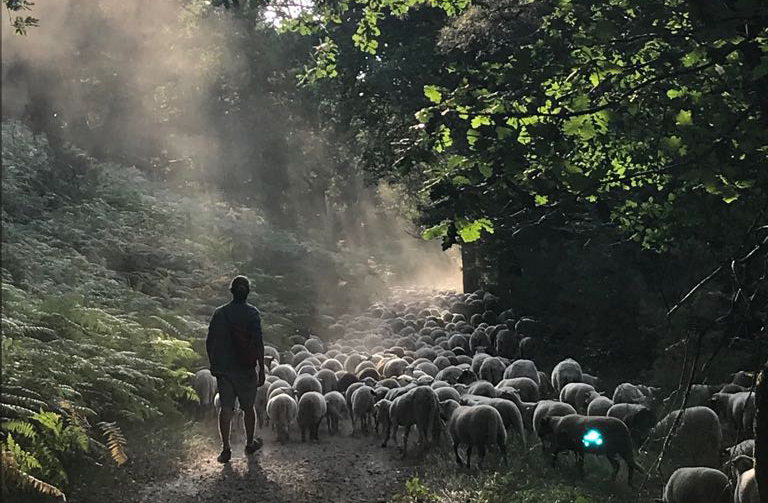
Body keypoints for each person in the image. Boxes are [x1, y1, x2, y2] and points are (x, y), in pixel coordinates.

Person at [206, 275, 265, 463]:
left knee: (226, 408)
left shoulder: (219, 313)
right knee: (248, 407)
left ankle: (225, 449)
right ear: (248, 292)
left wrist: (214, 363)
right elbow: (258, 343)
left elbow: (210, 341)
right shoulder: (252, 313)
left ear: (231, 291)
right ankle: (249, 443)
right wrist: (261, 368)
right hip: (245, 369)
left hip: (224, 369)